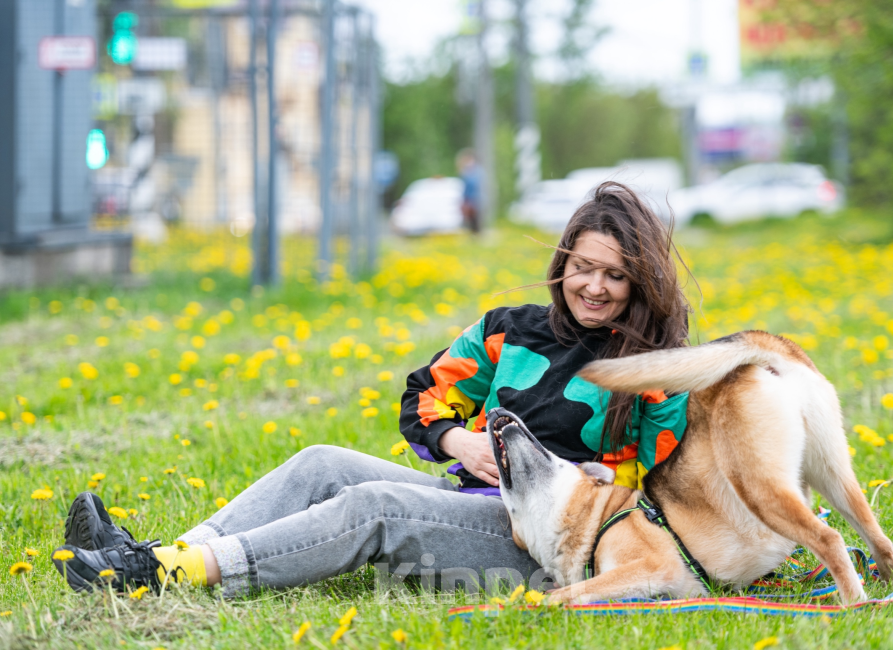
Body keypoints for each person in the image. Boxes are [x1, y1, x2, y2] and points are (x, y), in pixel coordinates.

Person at [52, 182, 691, 598]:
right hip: (465, 496)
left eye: (615, 276)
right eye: (583, 267)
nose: (594, 287)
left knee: (374, 505)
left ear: (639, 284)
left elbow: (656, 480)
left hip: (544, 546)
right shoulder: (510, 329)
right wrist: (456, 440)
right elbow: (425, 396)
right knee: (322, 462)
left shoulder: (652, 370)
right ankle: (158, 556)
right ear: (562, 264)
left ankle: (171, 573)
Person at [456, 148, 481, 234]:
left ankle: (475, 235)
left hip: (473, 200)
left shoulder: (473, 172)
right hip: (472, 200)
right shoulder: (473, 171)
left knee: (474, 221)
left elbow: (470, 187)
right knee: (472, 222)